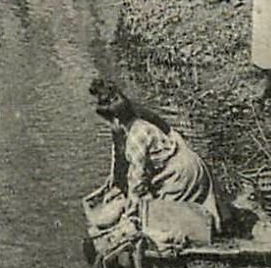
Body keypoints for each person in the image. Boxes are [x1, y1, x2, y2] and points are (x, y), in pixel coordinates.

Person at [88, 78, 222, 239]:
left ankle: (197, 237)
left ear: (115, 119)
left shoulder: (135, 136)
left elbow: (138, 178)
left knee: (164, 218)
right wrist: (114, 178)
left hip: (180, 173)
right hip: (188, 162)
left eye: (108, 123)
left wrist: (130, 211)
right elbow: (120, 153)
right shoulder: (135, 121)